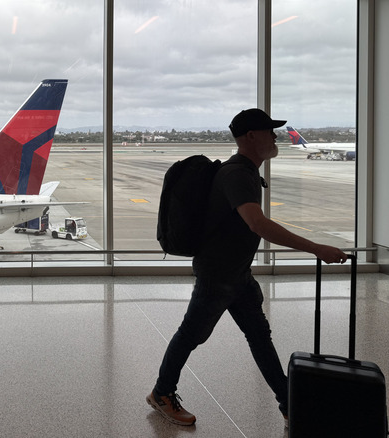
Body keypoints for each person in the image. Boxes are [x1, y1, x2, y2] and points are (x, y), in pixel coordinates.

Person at [146, 108, 349, 428]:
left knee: (259, 336)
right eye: (270, 131)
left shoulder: (245, 171)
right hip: (218, 275)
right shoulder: (238, 173)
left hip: (237, 275)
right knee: (191, 335)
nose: (275, 135)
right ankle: (161, 393)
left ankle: (289, 403)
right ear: (252, 136)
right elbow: (258, 224)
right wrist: (316, 248)